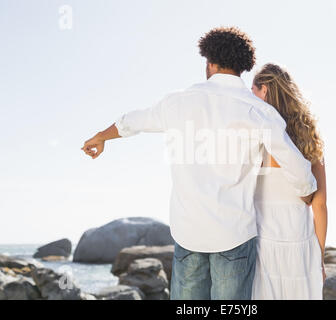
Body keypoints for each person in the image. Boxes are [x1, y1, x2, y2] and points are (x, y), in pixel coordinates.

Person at [81, 27, 317, 300]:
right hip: (235, 236)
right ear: (243, 66)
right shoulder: (259, 112)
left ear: (210, 62)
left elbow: (134, 121)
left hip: (189, 235)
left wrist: (101, 137)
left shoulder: (178, 103)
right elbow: (299, 170)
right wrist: (307, 190)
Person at [250, 63, 327, 299]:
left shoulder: (254, 135)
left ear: (264, 90)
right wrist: (320, 257)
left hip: (264, 242)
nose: (250, 96)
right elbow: (320, 205)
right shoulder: (309, 137)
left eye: (253, 89)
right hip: (300, 243)